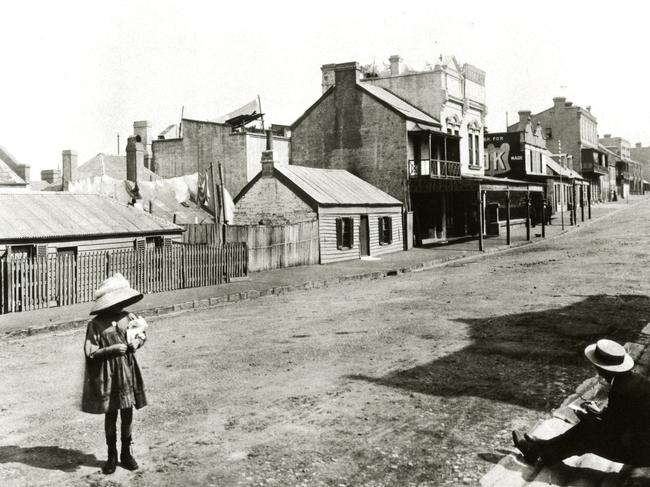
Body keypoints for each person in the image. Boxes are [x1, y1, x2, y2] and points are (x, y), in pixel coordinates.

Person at [512, 339, 650, 467]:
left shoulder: (620, 390)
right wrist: (600, 412)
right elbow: (627, 417)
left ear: (602, 369)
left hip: (640, 452)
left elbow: (614, 428)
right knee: (588, 428)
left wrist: (588, 417)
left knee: (587, 434)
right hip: (640, 441)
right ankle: (543, 448)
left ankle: (538, 454)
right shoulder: (636, 381)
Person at [81, 273, 148, 475]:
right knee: (111, 414)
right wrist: (111, 350)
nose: (121, 304)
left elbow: (141, 335)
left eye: (123, 300)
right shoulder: (96, 325)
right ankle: (112, 455)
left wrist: (136, 342)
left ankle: (126, 453)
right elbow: (90, 352)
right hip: (108, 375)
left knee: (127, 412)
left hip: (127, 370)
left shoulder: (129, 318)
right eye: (118, 301)